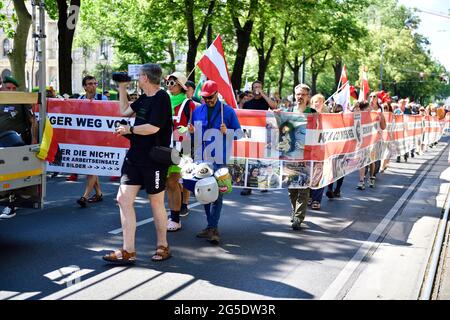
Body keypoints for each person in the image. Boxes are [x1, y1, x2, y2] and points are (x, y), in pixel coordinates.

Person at [103, 63, 173, 264]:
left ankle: (163, 245)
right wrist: (122, 88)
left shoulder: (161, 97)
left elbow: (153, 128)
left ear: (146, 78)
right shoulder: (143, 97)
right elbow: (124, 111)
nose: (137, 77)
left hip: (154, 159)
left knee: (156, 202)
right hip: (135, 156)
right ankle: (128, 250)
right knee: (123, 199)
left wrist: (129, 131)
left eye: (139, 74)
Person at [188, 80, 242, 244]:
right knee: (204, 192)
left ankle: (213, 227)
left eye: (210, 97)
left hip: (220, 158)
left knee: (217, 194)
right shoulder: (197, 111)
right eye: (205, 97)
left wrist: (228, 131)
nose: (208, 100)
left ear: (217, 94)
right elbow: (196, 137)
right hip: (202, 158)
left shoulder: (228, 112)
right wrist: (191, 132)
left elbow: (239, 134)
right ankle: (211, 227)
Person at [0, 76, 37, 219]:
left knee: (12, 176)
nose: (11, 91)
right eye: (8, 88)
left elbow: (33, 121)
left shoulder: (21, 100)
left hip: (16, 142)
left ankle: (11, 206)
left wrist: (33, 141)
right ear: (2, 87)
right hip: (1, 142)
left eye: (14, 88)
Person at [165, 71, 196, 232]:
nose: (169, 86)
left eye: (172, 83)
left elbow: (196, 125)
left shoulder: (189, 104)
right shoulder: (163, 100)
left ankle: (175, 218)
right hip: (164, 145)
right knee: (167, 183)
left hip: (181, 147)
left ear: (181, 86)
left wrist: (191, 129)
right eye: (168, 83)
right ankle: (173, 214)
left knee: (172, 181)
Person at [286, 84, 316, 230]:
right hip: (291, 156)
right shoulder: (288, 112)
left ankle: (298, 218)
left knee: (303, 189)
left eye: (303, 94)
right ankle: (294, 211)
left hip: (307, 157)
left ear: (308, 97)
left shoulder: (313, 113)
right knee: (292, 188)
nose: (300, 97)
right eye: (298, 94)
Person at [75, 76, 108, 207]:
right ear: (84, 86)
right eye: (90, 84)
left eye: (95, 83)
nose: (93, 86)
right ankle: (99, 193)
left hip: (99, 138)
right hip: (85, 138)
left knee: (93, 167)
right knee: (90, 167)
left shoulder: (103, 99)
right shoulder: (80, 100)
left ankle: (85, 196)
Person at [241, 81, 277, 196]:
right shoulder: (248, 103)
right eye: (255, 87)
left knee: (263, 161)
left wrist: (263, 94)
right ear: (252, 89)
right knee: (250, 161)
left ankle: (262, 184)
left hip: (264, 135)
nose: (257, 89)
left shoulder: (265, 101)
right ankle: (248, 186)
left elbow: (273, 106)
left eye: (259, 87)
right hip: (251, 136)